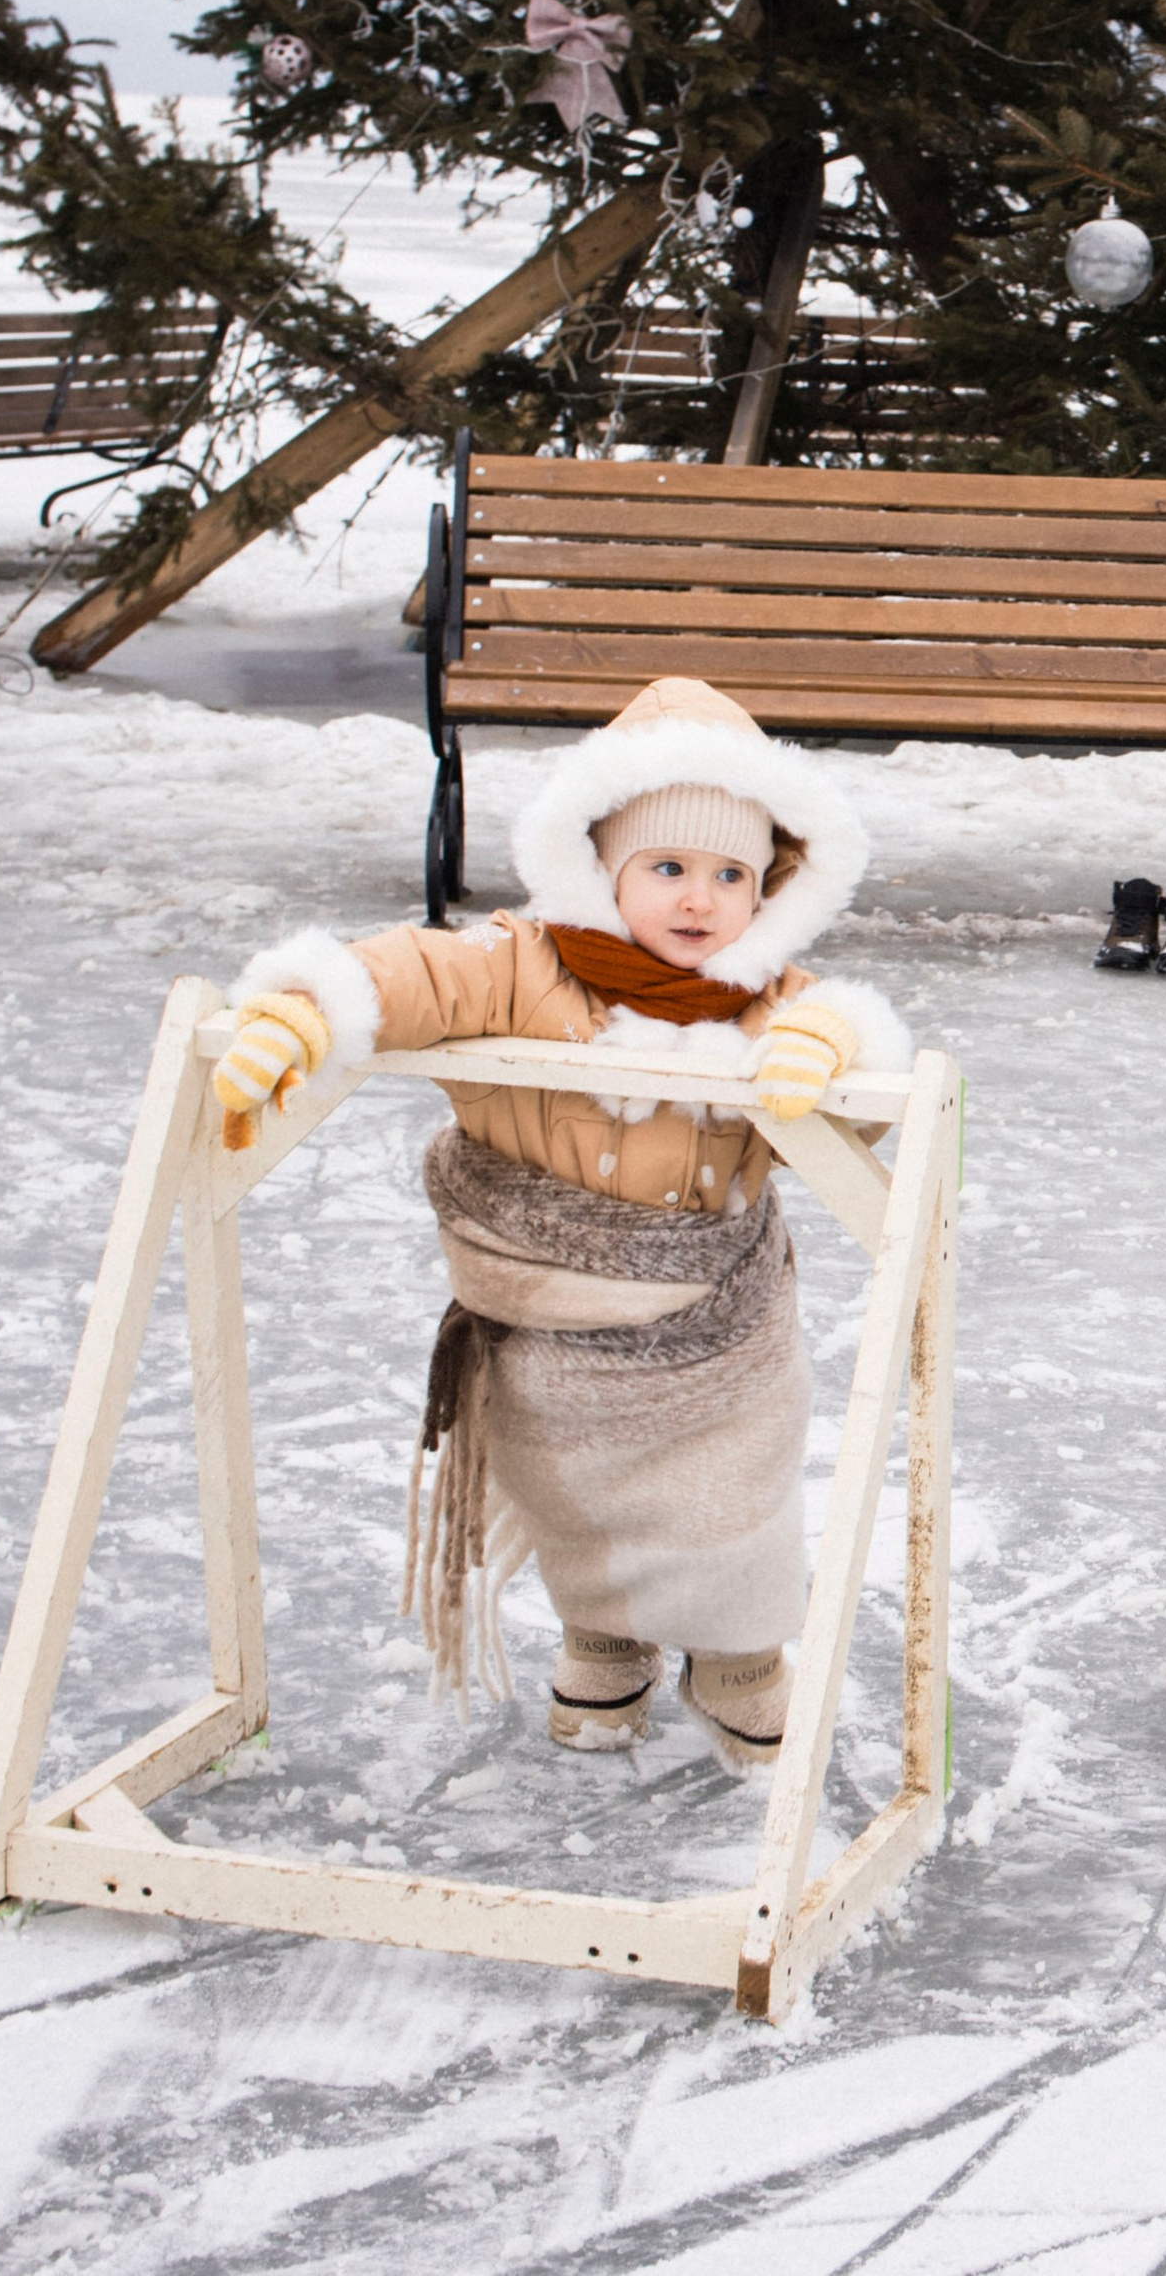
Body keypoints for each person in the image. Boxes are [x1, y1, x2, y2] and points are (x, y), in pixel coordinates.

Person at [210, 675, 908, 1766]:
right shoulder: (522, 966)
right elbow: (414, 971)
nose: (698, 898)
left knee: (733, 1491)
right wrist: (309, 1005)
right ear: (602, 868)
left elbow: (851, 1092)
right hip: (547, 1305)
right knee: (568, 1476)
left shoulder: (774, 997)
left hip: (716, 1322)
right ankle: (604, 1627)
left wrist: (835, 1055)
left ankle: (736, 1655)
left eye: (730, 874)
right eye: (667, 867)